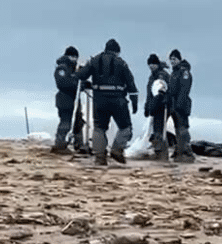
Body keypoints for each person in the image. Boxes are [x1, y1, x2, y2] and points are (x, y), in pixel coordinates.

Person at [74, 38, 139, 166]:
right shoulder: (121, 63)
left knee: (99, 128)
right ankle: (117, 149)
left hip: (99, 100)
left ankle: (100, 158)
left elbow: (81, 75)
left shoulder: (94, 60)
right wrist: (134, 102)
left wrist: (81, 73)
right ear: (117, 52)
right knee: (125, 128)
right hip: (118, 100)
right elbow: (131, 84)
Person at [52, 46, 86, 154]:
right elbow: (63, 83)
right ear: (69, 56)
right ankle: (60, 144)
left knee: (78, 122)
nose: (75, 59)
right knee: (66, 122)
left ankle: (79, 145)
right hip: (65, 99)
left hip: (74, 99)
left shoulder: (74, 69)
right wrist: (77, 83)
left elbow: (76, 82)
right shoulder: (62, 68)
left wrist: (84, 84)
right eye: (74, 57)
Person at [166, 49, 195, 163]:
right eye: (171, 59)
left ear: (179, 59)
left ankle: (186, 153)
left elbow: (184, 89)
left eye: (174, 59)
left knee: (182, 129)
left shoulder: (184, 72)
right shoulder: (174, 73)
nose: (172, 61)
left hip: (181, 105)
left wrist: (179, 105)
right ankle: (179, 151)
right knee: (177, 129)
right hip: (173, 105)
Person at [143, 53, 170, 160]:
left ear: (157, 64)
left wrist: (153, 106)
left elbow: (160, 93)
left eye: (153, 64)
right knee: (156, 129)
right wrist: (147, 106)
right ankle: (159, 151)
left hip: (162, 106)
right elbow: (149, 93)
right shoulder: (152, 76)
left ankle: (162, 154)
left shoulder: (161, 76)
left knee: (159, 130)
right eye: (149, 64)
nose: (151, 66)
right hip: (155, 106)